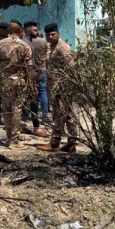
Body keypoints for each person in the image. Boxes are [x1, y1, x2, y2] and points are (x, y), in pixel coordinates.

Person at [0, 20, 32, 149]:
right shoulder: (25, 46)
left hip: (4, 80)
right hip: (19, 80)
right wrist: (30, 84)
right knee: (17, 109)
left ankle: (9, 136)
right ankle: (14, 139)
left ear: (8, 31)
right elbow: (29, 67)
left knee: (6, 109)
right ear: (20, 31)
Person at [37, 23, 77, 153]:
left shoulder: (62, 47)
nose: (50, 37)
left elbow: (71, 67)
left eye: (52, 34)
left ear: (58, 34)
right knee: (67, 115)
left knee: (60, 114)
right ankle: (72, 142)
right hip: (54, 85)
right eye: (48, 35)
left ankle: (54, 142)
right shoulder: (51, 46)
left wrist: (65, 85)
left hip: (61, 86)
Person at [24, 21, 50, 137]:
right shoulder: (43, 41)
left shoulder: (25, 42)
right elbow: (46, 55)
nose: (37, 31)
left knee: (32, 95)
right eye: (35, 30)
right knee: (42, 92)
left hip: (31, 71)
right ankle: (45, 115)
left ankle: (30, 115)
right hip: (40, 69)